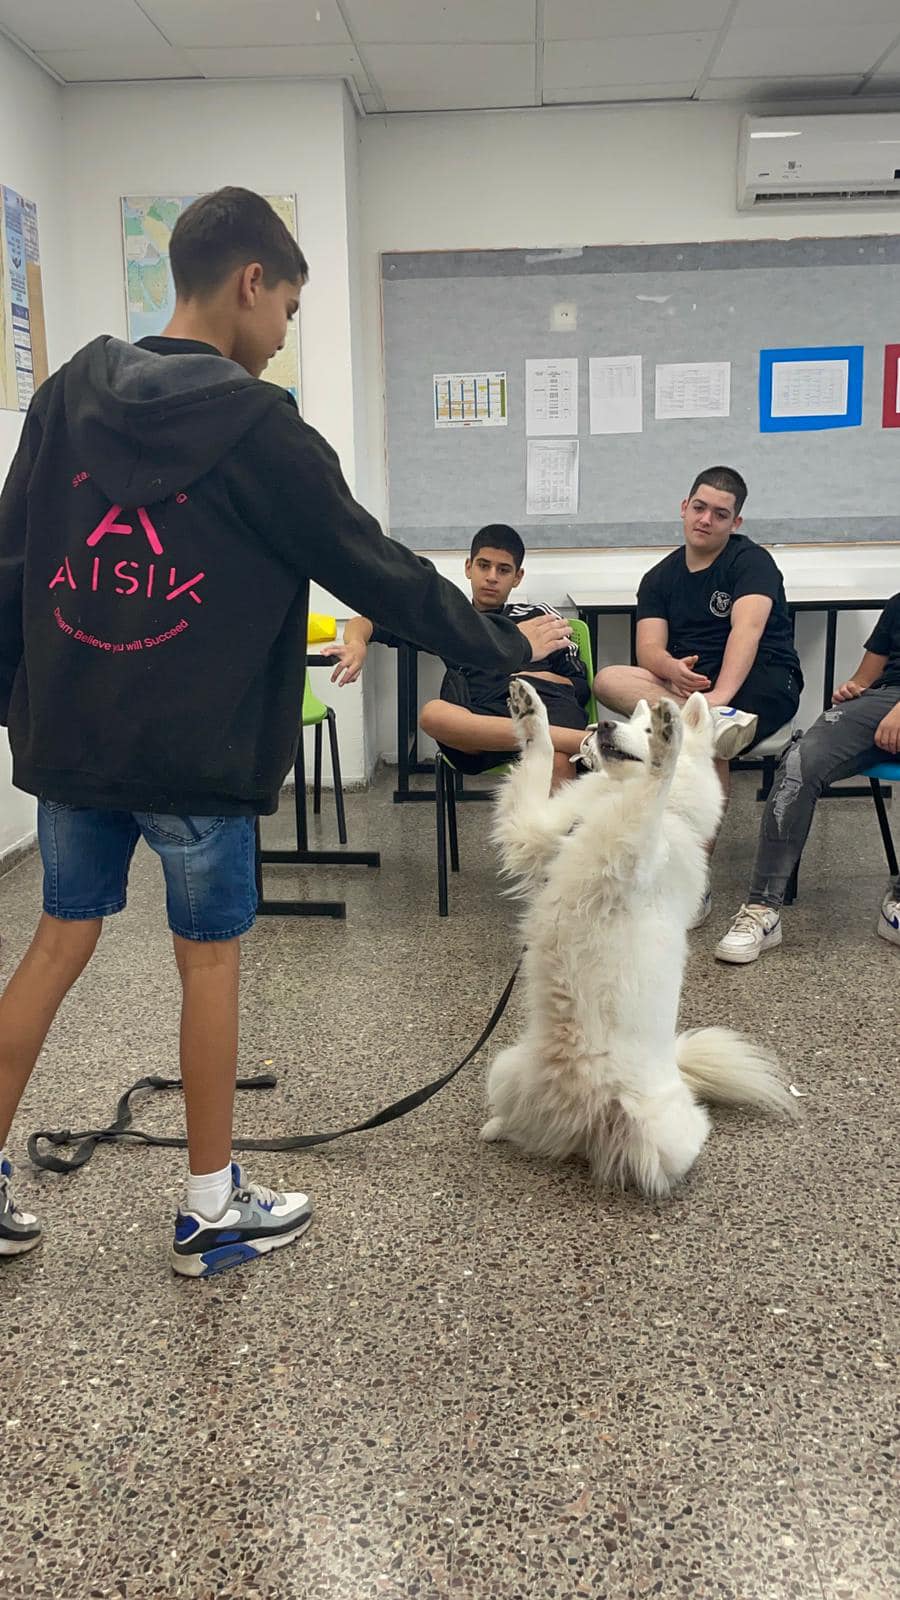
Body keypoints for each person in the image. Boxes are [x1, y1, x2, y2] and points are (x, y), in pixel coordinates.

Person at [0, 188, 571, 1275]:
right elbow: (374, 567)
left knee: (58, 939)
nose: (281, 336)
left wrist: (18, 703)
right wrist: (501, 644)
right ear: (251, 283)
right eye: (290, 311)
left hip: (75, 741)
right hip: (199, 753)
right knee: (209, 963)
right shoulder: (259, 425)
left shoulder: (69, 389)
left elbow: (12, 556)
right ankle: (210, 1210)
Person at [593, 465, 802, 924]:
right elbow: (649, 648)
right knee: (608, 679)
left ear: (735, 522)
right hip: (692, 687)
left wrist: (717, 700)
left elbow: (747, 631)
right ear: (685, 508)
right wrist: (669, 669)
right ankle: (702, 720)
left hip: (763, 678)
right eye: (700, 508)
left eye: (720, 514)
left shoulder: (752, 562)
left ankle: (694, 884)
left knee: (705, 740)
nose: (706, 520)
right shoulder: (659, 576)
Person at [324, 524, 589, 791]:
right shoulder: (452, 623)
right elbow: (366, 622)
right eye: (483, 566)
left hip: (543, 707)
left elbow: (579, 686)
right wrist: (356, 644)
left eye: (503, 570)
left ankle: (564, 743)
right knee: (433, 714)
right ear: (468, 567)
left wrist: (528, 675)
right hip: (481, 724)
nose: (492, 577)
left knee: (557, 759)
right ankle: (582, 742)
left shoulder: (539, 616)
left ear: (517, 577)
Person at [715, 594, 900, 963]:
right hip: (881, 701)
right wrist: (852, 689)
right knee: (800, 761)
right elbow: (864, 678)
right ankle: (762, 909)